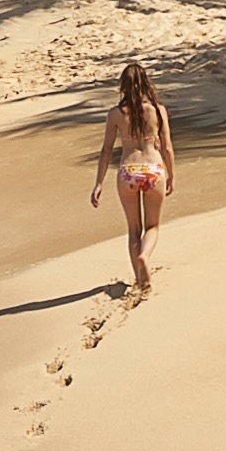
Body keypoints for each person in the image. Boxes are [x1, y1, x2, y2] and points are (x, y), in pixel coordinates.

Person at [87, 63, 175, 292]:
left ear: (123, 86)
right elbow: (167, 148)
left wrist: (98, 184)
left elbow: (106, 150)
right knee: (153, 226)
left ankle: (140, 279)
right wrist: (172, 176)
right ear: (146, 82)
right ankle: (145, 257)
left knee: (134, 229)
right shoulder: (158, 110)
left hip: (128, 172)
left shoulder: (115, 114)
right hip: (153, 170)